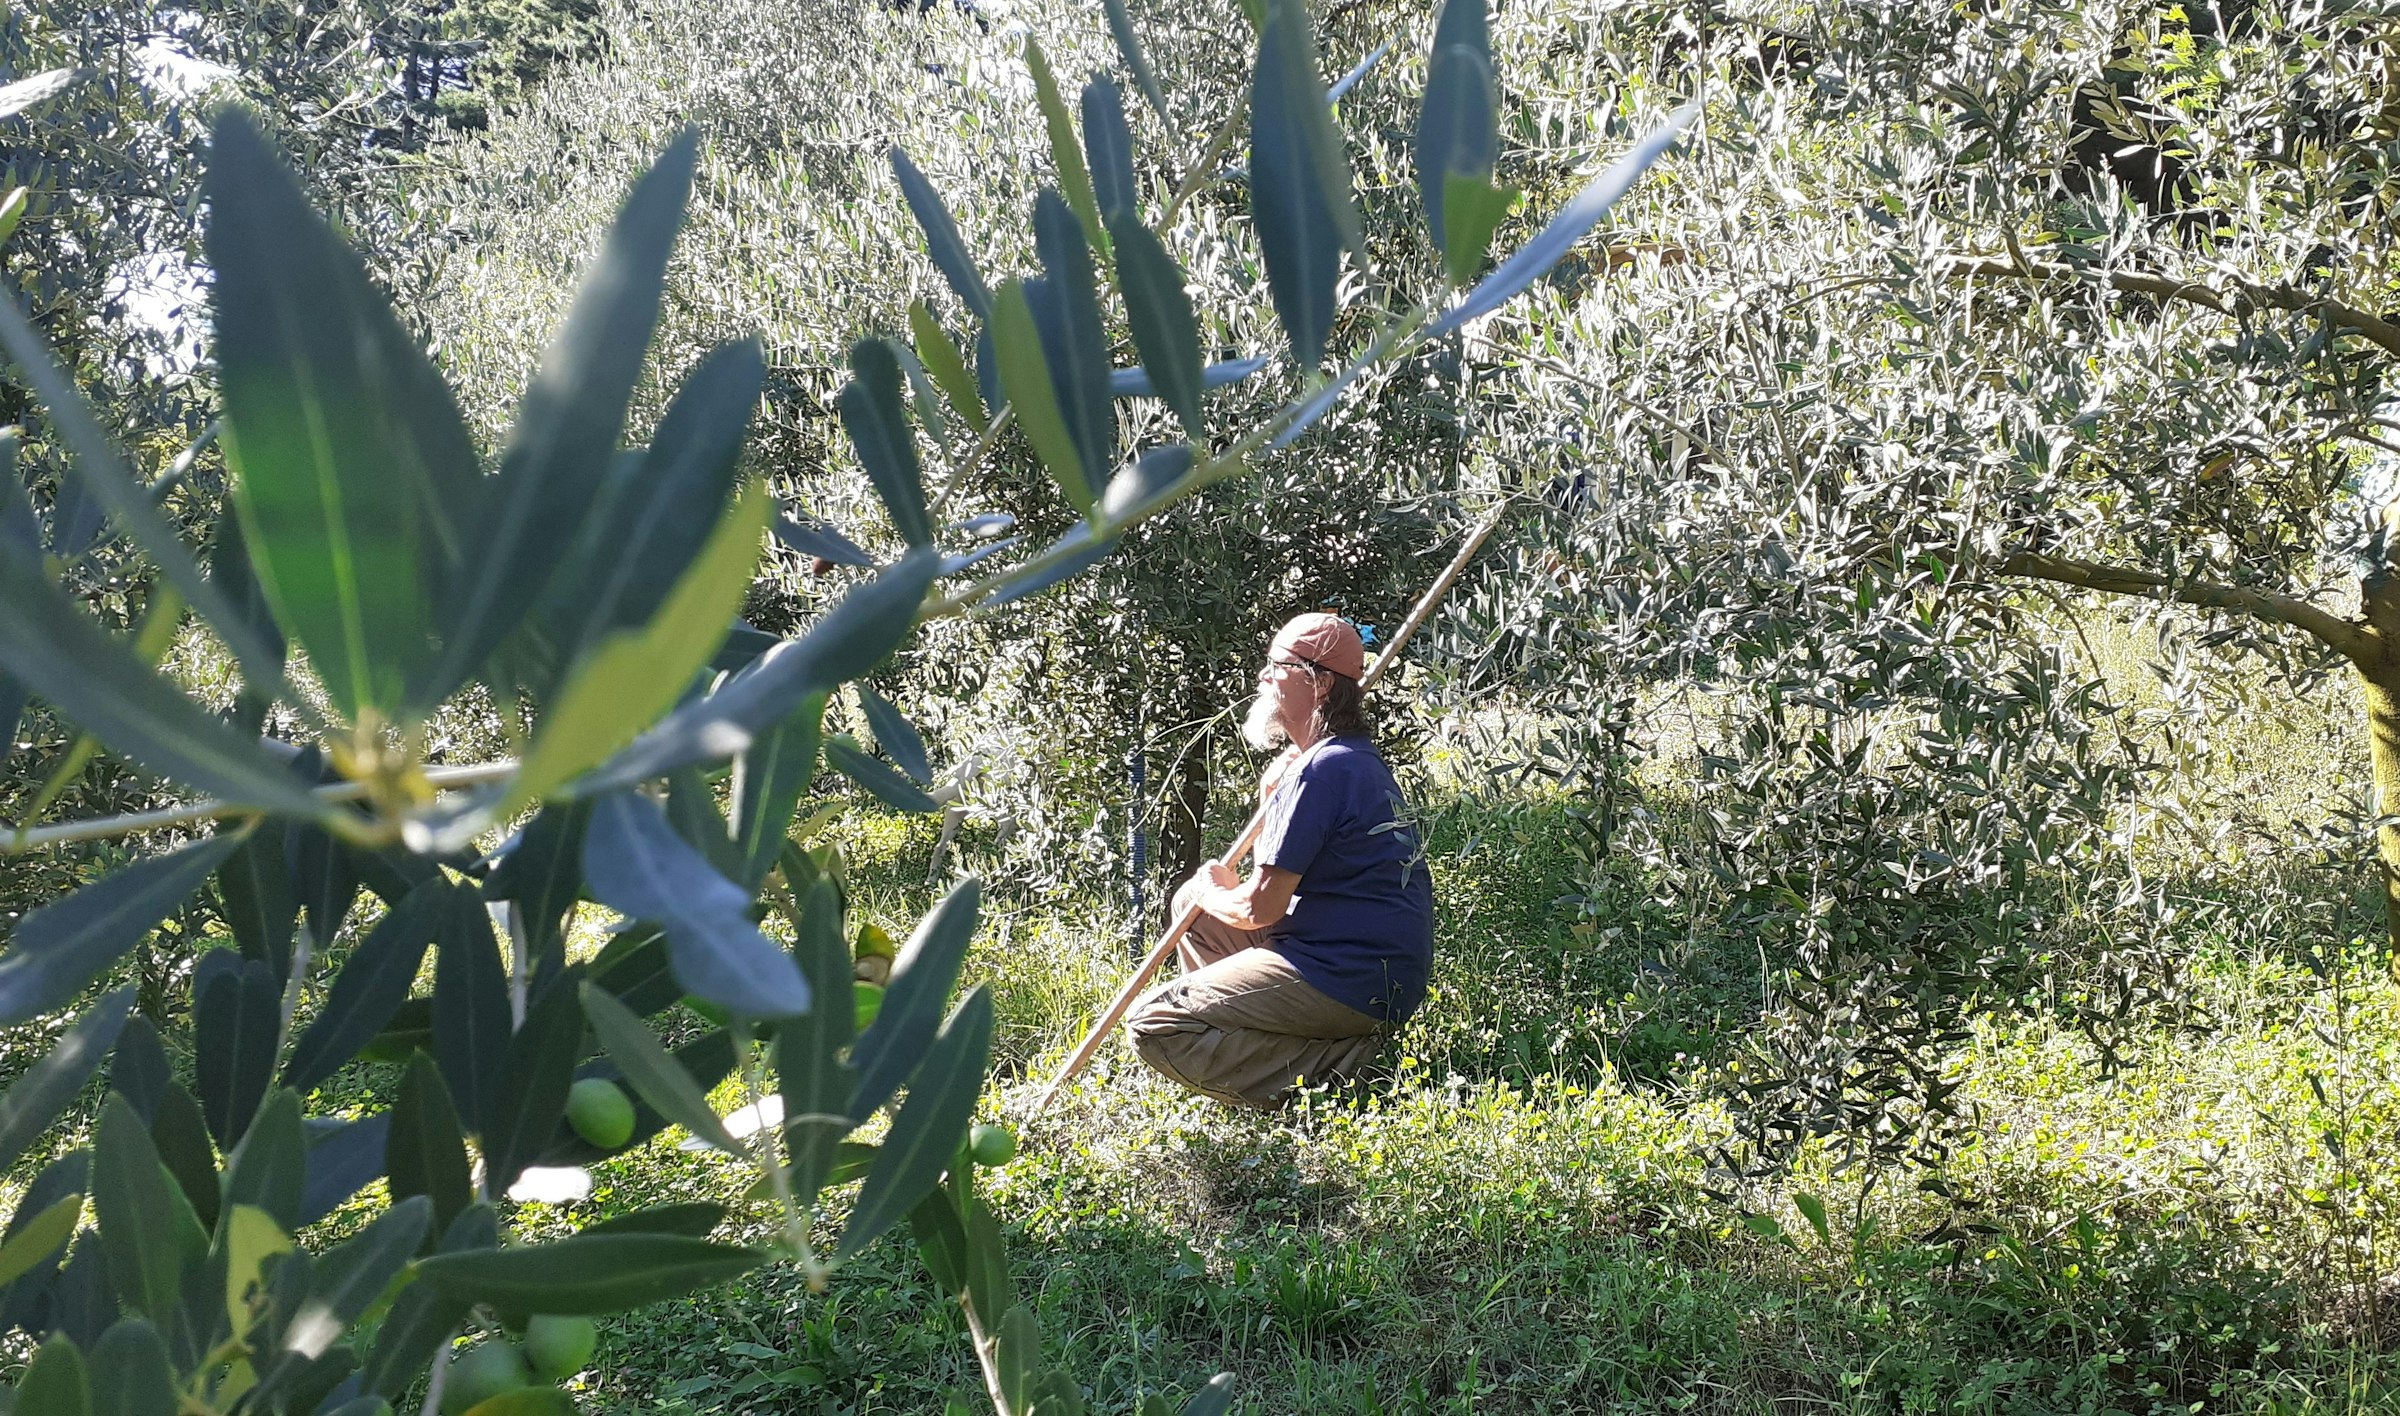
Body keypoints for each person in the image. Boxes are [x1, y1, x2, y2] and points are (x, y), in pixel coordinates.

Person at [1126, 612, 1435, 1108]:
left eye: (1279, 665)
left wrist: (1212, 888)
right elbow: (1281, 886)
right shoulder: (1344, 760)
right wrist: (1273, 802)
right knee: (1196, 911)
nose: (1265, 677)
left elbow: (1261, 910)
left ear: (1320, 683)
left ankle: (1340, 1074)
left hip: (1345, 974)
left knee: (1156, 1024)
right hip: (1363, 964)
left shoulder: (1322, 772)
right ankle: (1286, 1052)